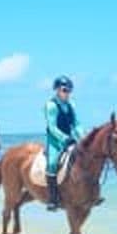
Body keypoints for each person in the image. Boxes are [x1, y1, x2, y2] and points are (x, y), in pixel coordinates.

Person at [44, 76, 85, 211]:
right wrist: (64, 138)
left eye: (69, 90)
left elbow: (76, 123)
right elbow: (52, 127)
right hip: (55, 141)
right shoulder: (51, 106)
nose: (67, 93)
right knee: (52, 163)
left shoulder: (71, 105)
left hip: (70, 138)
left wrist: (83, 137)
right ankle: (52, 199)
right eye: (64, 90)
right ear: (57, 90)